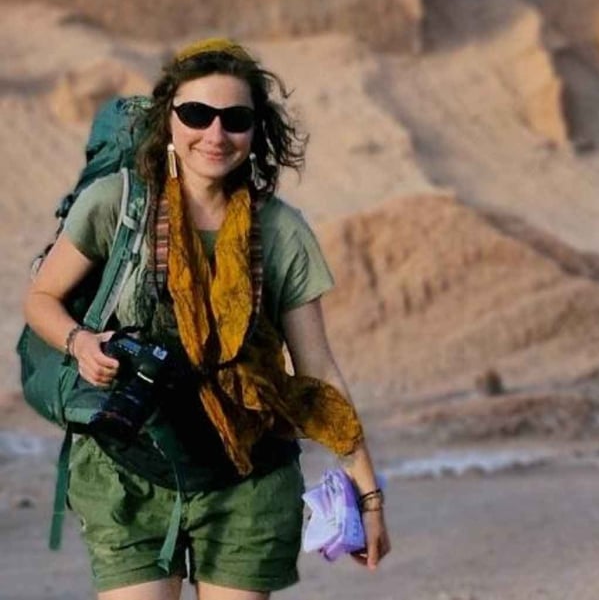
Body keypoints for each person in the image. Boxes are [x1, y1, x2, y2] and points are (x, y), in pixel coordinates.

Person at [23, 38, 391, 598]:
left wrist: (369, 495)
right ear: (168, 120)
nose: (215, 135)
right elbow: (40, 298)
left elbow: (317, 372)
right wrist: (80, 343)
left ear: (255, 130)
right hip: (129, 477)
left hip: (247, 481)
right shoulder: (117, 205)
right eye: (196, 114)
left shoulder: (281, 232)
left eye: (235, 119)